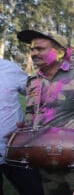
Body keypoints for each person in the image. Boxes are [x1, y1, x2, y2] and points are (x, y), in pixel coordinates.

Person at [17, 30, 74, 195]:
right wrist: (24, 129)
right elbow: (31, 114)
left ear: (60, 52)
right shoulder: (33, 82)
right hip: (46, 164)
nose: (34, 53)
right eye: (32, 49)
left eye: (40, 49)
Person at [0, 59, 44, 195]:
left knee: (33, 190)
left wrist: (33, 120)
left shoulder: (8, 68)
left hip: (16, 147)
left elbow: (35, 91)